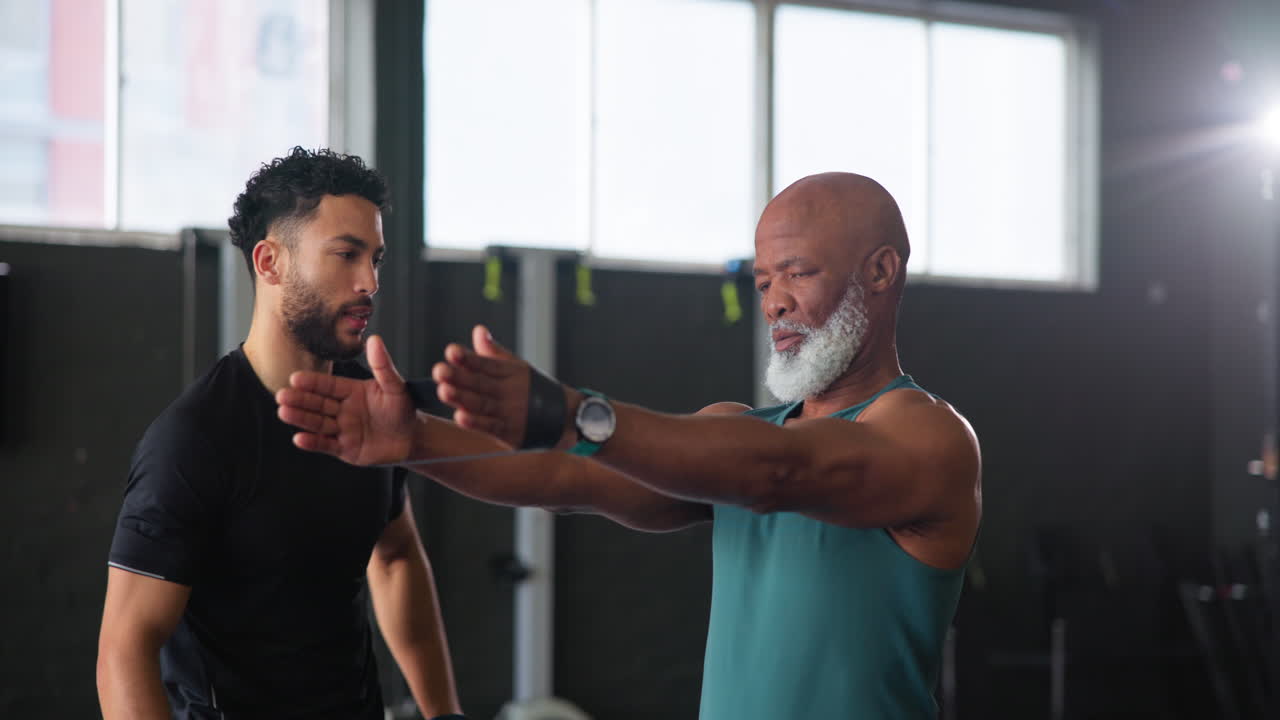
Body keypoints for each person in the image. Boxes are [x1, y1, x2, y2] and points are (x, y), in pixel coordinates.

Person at [276, 172, 981, 719]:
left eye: (799, 272)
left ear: (881, 271)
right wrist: (416, 442)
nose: (774, 303)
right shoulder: (741, 430)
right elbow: (566, 479)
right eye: (764, 281)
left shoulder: (926, 434)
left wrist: (571, 413)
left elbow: (780, 475)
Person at [97, 147, 463, 720]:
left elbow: (394, 558)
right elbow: (125, 649)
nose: (369, 280)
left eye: (376, 258)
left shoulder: (367, 404)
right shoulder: (194, 440)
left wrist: (445, 713)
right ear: (270, 262)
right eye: (347, 254)